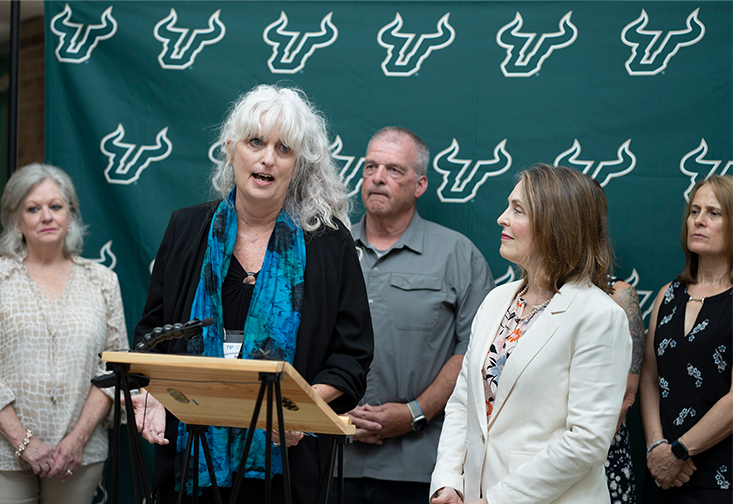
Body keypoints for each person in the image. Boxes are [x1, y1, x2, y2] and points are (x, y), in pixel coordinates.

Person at [132, 84, 374, 504]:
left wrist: (299, 407)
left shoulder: (329, 244)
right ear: (230, 149)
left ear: (297, 165)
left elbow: (351, 356)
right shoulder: (186, 229)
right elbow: (153, 334)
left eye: (284, 149)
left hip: (289, 465)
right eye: (256, 142)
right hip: (191, 460)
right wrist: (151, 394)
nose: (267, 158)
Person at [430, 164, 631, 504]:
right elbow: (463, 404)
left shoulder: (599, 316)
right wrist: (449, 481)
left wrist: (496, 500)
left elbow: (587, 442)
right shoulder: (496, 299)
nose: (501, 218)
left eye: (517, 210)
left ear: (556, 225)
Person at [341, 127, 494, 504]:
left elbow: (474, 353)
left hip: (419, 467)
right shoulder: (331, 250)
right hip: (332, 461)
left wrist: (413, 413)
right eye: (370, 166)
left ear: (420, 184)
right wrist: (336, 417)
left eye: (394, 170)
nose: (377, 178)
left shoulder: (459, 256)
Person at [0, 163, 128, 503]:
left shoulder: (102, 282)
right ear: (15, 220)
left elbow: (113, 369)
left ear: (70, 215)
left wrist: (76, 440)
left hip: (80, 455)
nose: (46, 216)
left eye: (56, 206)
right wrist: (22, 442)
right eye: (33, 208)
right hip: (4, 453)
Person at [639, 175, 732, 502]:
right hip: (661, 474)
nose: (699, 220)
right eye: (694, 211)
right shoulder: (668, 294)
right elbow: (649, 379)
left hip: (719, 478)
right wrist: (656, 448)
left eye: (714, 213)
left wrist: (679, 451)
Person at [605, 277, 645, 504]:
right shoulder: (538, 291)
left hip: (602, 449)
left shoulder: (620, 294)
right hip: (537, 449)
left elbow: (627, 395)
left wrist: (582, 448)